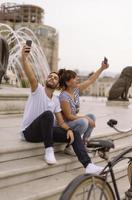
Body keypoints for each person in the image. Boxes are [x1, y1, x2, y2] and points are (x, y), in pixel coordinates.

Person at [20, 44, 103, 174]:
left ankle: (88, 166)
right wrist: (24, 59)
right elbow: (30, 75)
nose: (52, 78)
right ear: (46, 79)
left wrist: (69, 130)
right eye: (50, 76)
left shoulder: (55, 100)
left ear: (58, 84)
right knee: (48, 114)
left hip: (45, 133)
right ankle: (49, 150)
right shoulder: (37, 90)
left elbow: (61, 122)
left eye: (55, 78)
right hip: (30, 133)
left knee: (74, 134)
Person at [58, 60, 109, 154]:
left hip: (72, 122)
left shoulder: (75, 90)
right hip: (64, 125)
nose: (77, 79)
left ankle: (83, 143)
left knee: (92, 117)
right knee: (84, 122)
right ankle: (70, 146)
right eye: (74, 78)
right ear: (67, 82)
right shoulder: (63, 96)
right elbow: (68, 116)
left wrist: (102, 68)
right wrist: (85, 118)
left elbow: (90, 80)